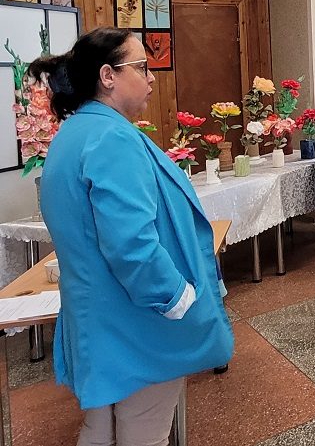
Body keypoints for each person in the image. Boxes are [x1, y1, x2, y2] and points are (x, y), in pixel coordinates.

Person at [30, 27, 233, 445]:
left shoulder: (74, 133)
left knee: (101, 431)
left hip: (96, 316)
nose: (152, 77)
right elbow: (131, 245)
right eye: (142, 67)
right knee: (145, 433)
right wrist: (178, 299)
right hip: (134, 321)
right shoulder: (112, 138)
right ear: (108, 76)